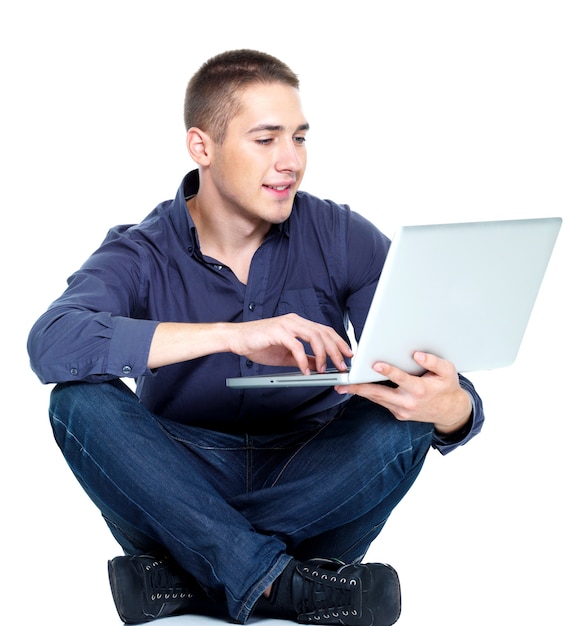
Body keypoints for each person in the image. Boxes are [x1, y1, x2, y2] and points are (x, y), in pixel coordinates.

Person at [27, 49, 484, 626]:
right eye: (266, 140)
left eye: (299, 137)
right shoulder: (142, 249)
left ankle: (194, 574)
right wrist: (230, 336)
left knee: (399, 423)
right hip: (176, 470)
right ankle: (289, 584)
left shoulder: (342, 234)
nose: (291, 161)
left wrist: (453, 408)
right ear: (203, 147)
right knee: (78, 403)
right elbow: (53, 343)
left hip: (313, 473)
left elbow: (417, 366)